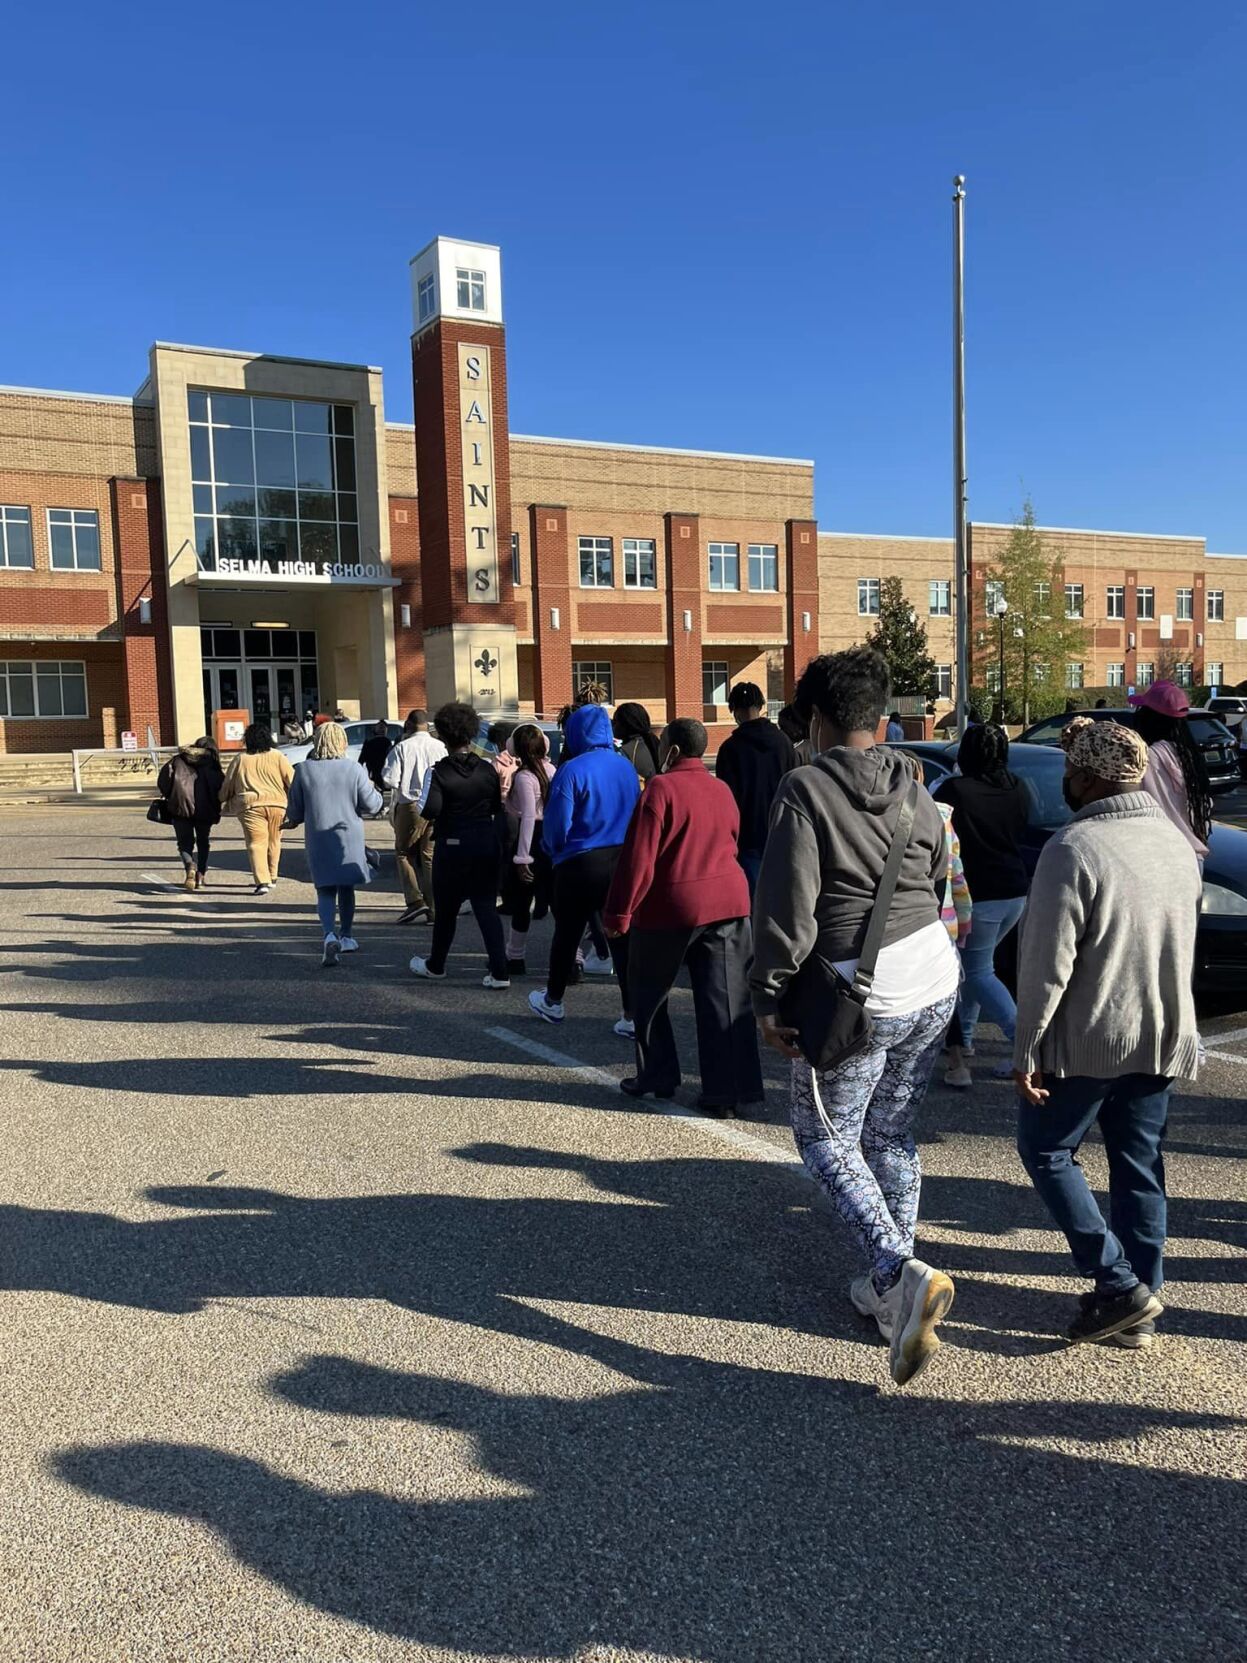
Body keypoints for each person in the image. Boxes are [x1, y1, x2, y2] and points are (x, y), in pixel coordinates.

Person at [750, 647, 958, 1388]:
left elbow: (785, 907)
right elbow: (934, 869)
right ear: (879, 715)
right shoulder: (913, 779)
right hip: (933, 971)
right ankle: (887, 1294)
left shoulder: (804, 786)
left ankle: (898, 1270)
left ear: (815, 718)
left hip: (858, 988)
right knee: (892, 1130)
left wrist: (767, 995)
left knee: (823, 1135)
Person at [1014, 720, 1200, 1348]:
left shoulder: (1074, 847)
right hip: (1163, 1029)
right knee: (1139, 1163)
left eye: (1070, 768)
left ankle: (1117, 1284)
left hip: (1094, 1034)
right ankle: (1142, 1296)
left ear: (1091, 778)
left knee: (1045, 1149)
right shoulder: (1177, 842)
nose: (1064, 778)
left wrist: (1026, 1048)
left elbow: (1045, 964)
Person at [603, 718, 764, 1115]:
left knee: (649, 991)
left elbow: (639, 859)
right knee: (725, 998)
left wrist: (619, 913)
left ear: (671, 751)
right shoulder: (721, 789)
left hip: (672, 904)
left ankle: (657, 1075)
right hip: (728, 900)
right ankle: (728, 1091)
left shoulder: (661, 788)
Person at [528, 702, 640, 1025]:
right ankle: (631, 1014)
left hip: (578, 863)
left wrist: (552, 850)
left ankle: (554, 1000)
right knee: (621, 934)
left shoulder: (572, 770)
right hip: (620, 859)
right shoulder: (624, 767)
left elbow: (556, 827)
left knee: (567, 934)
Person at [932, 725, 1030, 1074]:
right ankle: (968, 1038)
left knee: (976, 971)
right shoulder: (1018, 787)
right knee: (977, 966)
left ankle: (1025, 1043)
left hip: (977, 894)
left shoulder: (953, 790)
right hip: (1016, 890)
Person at [409, 702, 511, 988]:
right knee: (485, 907)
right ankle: (500, 971)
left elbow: (429, 809)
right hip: (485, 840)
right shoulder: (488, 770)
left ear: (442, 735)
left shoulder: (438, 771)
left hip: (452, 844)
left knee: (447, 909)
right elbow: (495, 805)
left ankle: (437, 964)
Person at [285, 721, 382, 967]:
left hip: (318, 836)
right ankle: (347, 935)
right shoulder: (353, 769)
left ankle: (329, 933)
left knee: (325, 889)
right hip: (348, 836)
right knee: (347, 888)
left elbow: (295, 811)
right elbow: (372, 805)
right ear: (342, 742)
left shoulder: (304, 770)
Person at [714, 680, 797, 898]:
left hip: (746, 837)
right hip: (781, 830)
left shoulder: (730, 749)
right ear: (760, 706)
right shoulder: (783, 742)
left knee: (752, 902)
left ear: (734, 711)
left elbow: (725, 799)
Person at [1128, 681, 1212, 867]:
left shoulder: (1146, 758)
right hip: (1192, 855)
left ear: (1149, 718)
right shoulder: (1188, 757)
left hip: (1161, 857)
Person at [501, 723, 557, 974]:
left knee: (522, 904)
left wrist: (522, 857)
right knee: (560, 906)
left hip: (531, 841)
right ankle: (574, 959)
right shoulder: (552, 769)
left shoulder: (524, 777)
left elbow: (527, 818)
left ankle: (515, 957)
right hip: (552, 840)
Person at [382, 709, 446, 925]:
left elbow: (389, 779)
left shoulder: (402, 747)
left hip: (411, 803)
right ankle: (435, 907)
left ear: (409, 724)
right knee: (429, 855)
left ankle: (415, 900)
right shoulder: (440, 747)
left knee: (404, 852)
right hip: (436, 803)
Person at [219, 723, 295, 894]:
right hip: (278, 804)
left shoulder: (241, 759)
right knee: (274, 841)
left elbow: (228, 784)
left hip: (251, 806)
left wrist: (221, 799)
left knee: (256, 843)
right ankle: (273, 876)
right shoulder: (278, 756)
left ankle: (262, 881)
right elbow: (292, 780)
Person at [156, 736, 225, 891]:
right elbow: (221, 787)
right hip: (205, 809)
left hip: (179, 807)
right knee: (203, 841)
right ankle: (200, 876)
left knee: (184, 843)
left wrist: (171, 796)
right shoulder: (212, 764)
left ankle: (189, 866)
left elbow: (163, 781)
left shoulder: (177, 760)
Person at [612, 702, 661, 784]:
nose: (613, 725)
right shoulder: (656, 744)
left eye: (615, 721)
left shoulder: (624, 753)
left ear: (627, 725)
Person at [359, 721, 393, 792]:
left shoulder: (369, 741)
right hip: (383, 770)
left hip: (372, 771)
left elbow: (361, 759)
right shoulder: (387, 742)